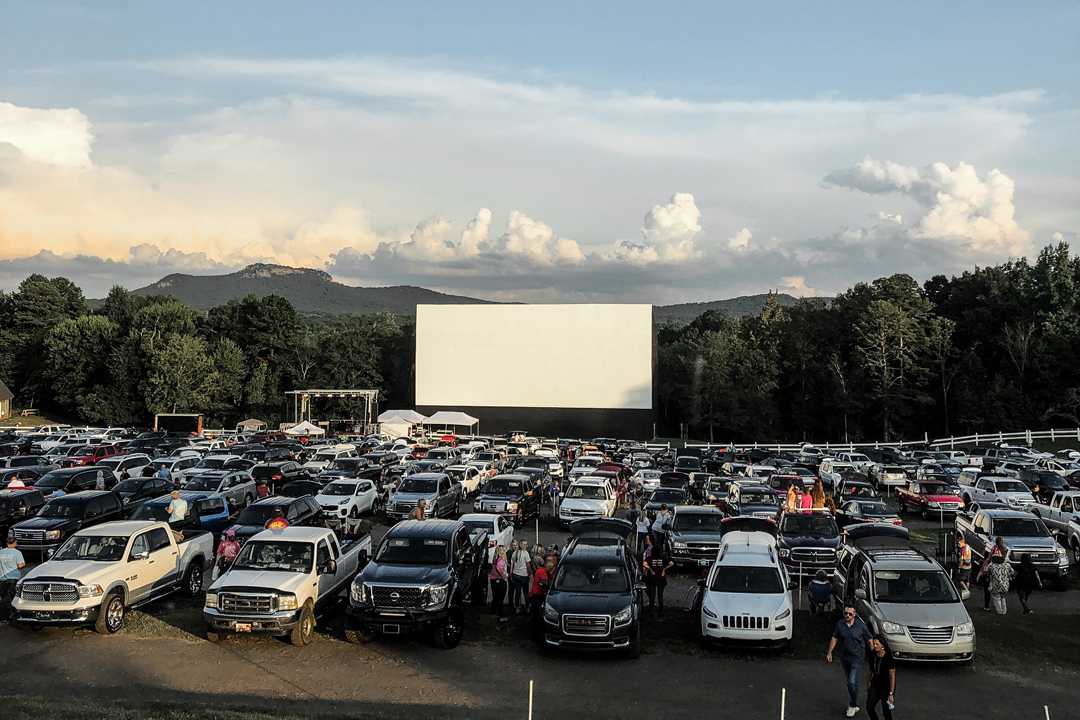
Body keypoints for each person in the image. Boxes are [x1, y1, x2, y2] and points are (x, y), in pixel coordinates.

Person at [826, 603, 873, 718]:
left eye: (850, 614)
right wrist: (829, 652)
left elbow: (869, 638)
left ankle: (852, 705)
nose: (847, 615)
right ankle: (854, 702)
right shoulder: (840, 624)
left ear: (854, 615)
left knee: (852, 682)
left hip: (857, 658)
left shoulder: (861, 626)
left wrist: (873, 653)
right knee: (851, 683)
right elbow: (835, 637)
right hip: (845, 658)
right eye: (845, 613)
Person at [866, 637, 897, 720]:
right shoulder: (873, 655)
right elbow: (871, 671)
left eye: (877, 644)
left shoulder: (889, 658)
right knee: (869, 707)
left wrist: (891, 694)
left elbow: (892, 676)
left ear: (882, 646)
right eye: (874, 643)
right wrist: (869, 683)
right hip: (874, 685)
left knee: (886, 712)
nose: (875, 646)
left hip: (886, 687)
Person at [642, 534, 673, 617]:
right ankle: (661, 611)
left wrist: (651, 570)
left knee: (652, 596)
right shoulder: (663, 558)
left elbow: (644, 564)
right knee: (660, 596)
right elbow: (671, 563)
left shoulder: (650, 558)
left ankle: (651, 611)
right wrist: (664, 569)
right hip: (661, 579)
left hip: (652, 579)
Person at [976, 535, 1007, 611]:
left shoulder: (994, 549)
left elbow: (988, 560)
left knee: (987, 591)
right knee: (1000, 592)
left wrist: (979, 575)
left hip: (992, 571)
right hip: (1000, 571)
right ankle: (1002, 607)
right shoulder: (1004, 549)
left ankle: (987, 606)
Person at [0, 536, 27, 622]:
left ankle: (3, 617)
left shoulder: (1, 552)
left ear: (7, 543)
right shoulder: (17, 553)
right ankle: (12, 616)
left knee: (4, 598)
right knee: (12, 598)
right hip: (13, 579)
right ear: (15, 543)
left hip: (2, 578)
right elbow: (20, 565)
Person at [508, 539, 532, 615]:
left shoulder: (514, 553)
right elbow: (528, 565)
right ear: (521, 545)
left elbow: (512, 565)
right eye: (524, 544)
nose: (526, 546)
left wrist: (511, 574)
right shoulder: (526, 553)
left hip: (516, 575)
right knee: (525, 592)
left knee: (518, 592)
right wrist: (530, 573)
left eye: (526, 544)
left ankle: (517, 607)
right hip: (524, 576)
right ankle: (527, 607)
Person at [489, 545, 509, 623]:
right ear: (501, 551)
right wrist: (504, 576)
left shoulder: (495, 558)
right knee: (501, 598)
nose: (505, 551)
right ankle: (501, 615)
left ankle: (493, 611)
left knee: (496, 597)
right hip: (500, 581)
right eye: (504, 550)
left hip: (493, 580)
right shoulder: (501, 559)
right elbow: (499, 568)